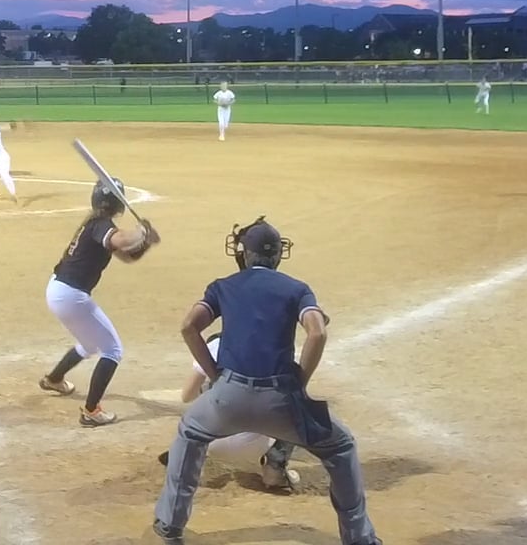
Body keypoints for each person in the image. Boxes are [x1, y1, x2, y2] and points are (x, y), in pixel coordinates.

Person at [152, 217, 381, 544]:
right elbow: (317, 332)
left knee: (190, 433)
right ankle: (359, 537)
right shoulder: (296, 288)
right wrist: (300, 381)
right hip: (280, 401)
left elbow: (189, 326)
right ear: (277, 255)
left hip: (227, 398)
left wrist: (215, 375)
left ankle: (170, 524)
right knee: (341, 446)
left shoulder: (223, 286)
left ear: (244, 254)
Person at [37, 182, 160, 427]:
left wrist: (145, 241)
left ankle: (54, 379)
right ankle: (91, 411)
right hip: (71, 295)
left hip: (59, 291)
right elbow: (123, 240)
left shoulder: (94, 224)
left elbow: (127, 255)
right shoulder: (101, 225)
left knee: (89, 344)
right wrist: (141, 231)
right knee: (113, 350)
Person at [155, 332, 300, 491]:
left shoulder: (215, 345)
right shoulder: (275, 345)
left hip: (212, 442)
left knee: (205, 397)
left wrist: (212, 389)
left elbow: (186, 396)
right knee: (295, 403)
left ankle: (188, 460)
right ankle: (274, 470)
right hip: (257, 444)